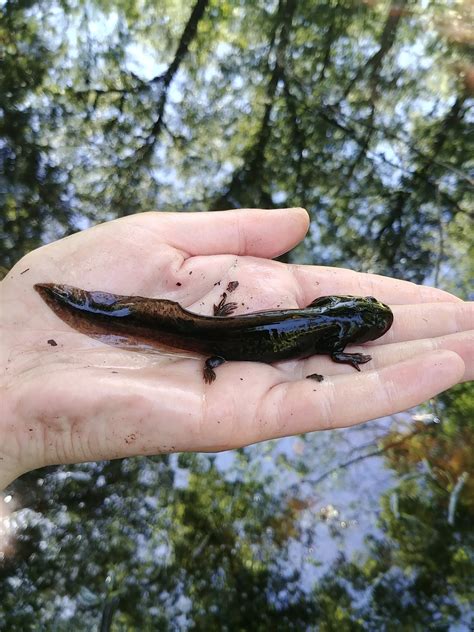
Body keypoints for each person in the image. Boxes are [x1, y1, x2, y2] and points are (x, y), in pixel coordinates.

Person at [0, 208, 472, 491]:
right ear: (349, 316)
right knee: (201, 335)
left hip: (229, 333)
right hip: (222, 340)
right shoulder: (334, 330)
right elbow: (332, 347)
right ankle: (207, 351)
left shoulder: (331, 315)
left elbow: (328, 318)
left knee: (206, 333)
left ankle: (213, 351)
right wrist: (346, 356)